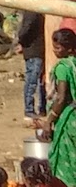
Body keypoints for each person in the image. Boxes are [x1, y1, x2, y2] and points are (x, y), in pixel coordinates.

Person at [42, 28, 76, 185]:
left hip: (69, 120)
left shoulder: (63, 67)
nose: (55, 51)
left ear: (69, 48)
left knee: (65, 162)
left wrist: (49, 120)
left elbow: (61, 98)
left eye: (58, 47)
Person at [18, 6, 48, 119]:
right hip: (34, 50)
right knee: (32, 81)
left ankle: (42, 108)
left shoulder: (33, 8)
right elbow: (26, 29)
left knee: (40, 81)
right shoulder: (34, 9)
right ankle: (29, 109)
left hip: (35, 49)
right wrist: (21, 40)